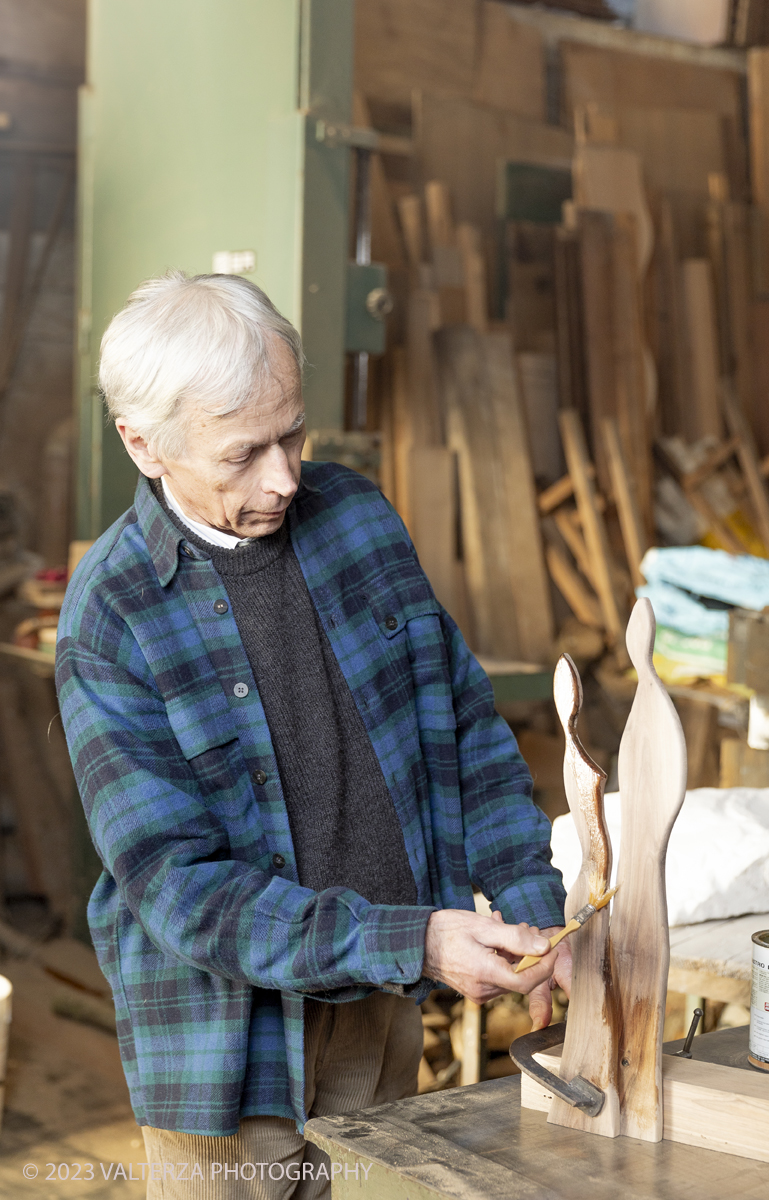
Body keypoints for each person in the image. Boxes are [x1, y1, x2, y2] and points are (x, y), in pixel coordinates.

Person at [56, 272, 571, 1200]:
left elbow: (463, 727)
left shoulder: (357, 520)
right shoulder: (113, 615)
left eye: (294, 432)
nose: (286, 477)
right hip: (226, 1049)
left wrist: (535, 905)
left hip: (380, 1004)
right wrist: (410, 941)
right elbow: (181, 892)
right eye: (243, 453)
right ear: (144, 445)